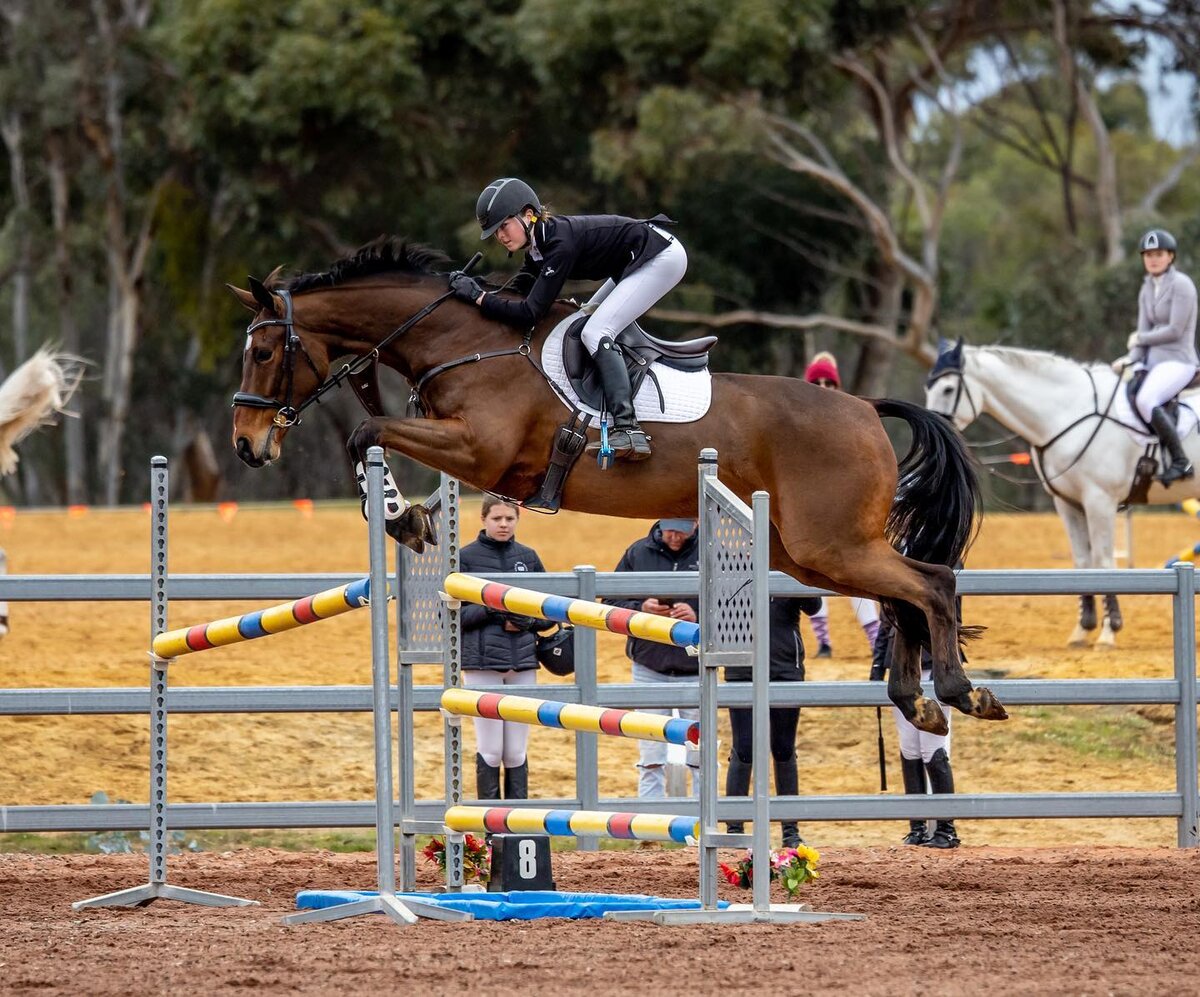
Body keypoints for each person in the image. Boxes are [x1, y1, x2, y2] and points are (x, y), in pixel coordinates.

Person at [448, 177, 689, 461]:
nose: (500, 236)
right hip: (636, 261)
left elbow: (529, 314)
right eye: (495, 231)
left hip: (660, 256)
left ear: (528, 215)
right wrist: (474, 287)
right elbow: (517, 291)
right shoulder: (538, 248)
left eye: (504, 225)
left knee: (595, 332)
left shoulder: (559, 244)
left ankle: (628, 428)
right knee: (587, 318)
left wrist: (479, 297)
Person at [459, 497, 547, 802]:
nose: (503, 524)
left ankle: (516, 825)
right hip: (481, 664)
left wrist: (524, 620)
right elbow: (453, 616)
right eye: (497, 518)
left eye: (509, 518)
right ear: (483, 519)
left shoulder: (529, 557)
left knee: (516, 751)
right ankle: (490, 829)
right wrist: (495, 612)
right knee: (491, 748)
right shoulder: (465, 558)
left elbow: (548, 611)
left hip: (522, 662)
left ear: (517, 520)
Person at [611, 517, 700, 798]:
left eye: (682, 532)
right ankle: (649, 825)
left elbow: (734, 604)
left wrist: (697, 614)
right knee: (650, 751)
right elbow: (610, 601)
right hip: (649, 665)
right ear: (660, 525)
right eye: (670, 531)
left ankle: (704, 822)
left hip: (697, 667)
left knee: (701, 754)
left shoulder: (712, 552)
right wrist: (640, 608)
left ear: (696, 525)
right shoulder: (637, 552)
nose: (675, 537)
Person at [723, 595, 822, 848]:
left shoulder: (787, 568)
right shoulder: (733, 565)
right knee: (743, 748)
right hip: (742, 668)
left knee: (784, 747)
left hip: (785, 669)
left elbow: (814, 606)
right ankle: (735, 826)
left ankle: (790, 830)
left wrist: (798, 577)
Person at [803, 352, 881, 657]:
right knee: (810, 572)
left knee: (858, 573)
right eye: (817, 382)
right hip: (808, 512)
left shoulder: (850, 419)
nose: (823, 386)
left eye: (828, 381)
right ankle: (823, 641)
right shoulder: (795, 419)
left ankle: (876, 640)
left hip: (843, 512)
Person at [869, 615, 962, 849]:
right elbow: (887, 619)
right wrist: (878, 665)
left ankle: (945, 829)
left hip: (934, 666)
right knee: (909, 748)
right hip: (899, 666)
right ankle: (917, 826)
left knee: (933, 749)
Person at [1121, 228, 1198, 486]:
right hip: (1153, 362)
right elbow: (1142, 331)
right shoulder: (1146, 288)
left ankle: (1180, 461)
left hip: (1179, 360)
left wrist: (1140, 340)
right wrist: (1131, 359)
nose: (1153, 259)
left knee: (1145, 400)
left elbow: (1175, 330)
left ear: (1170, 257)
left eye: (1159, 254)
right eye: (1148, 254)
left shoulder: (1182, 285)